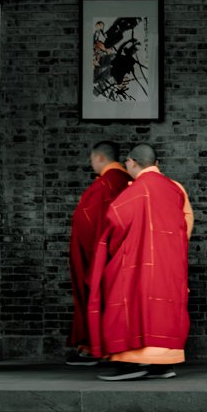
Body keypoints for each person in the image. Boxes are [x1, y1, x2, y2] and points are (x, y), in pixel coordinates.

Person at [90, 144, 193, 381]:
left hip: (138, 261)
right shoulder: (176, 188)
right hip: (170, 263)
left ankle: (134, 361)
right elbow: (186, 224)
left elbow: (115, 221)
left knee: (132, 306)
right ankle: (162, 364)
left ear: (131, 162)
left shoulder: (135, 191)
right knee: (164, 309)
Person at [64, 141, 130, 366]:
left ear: (100, 158)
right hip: (122, 254)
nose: (91, 163)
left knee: (97, 299)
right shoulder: (127, 181)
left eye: (92, 159)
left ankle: (94, 348)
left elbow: (92, 226)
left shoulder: (105, 184)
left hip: (100, 254)